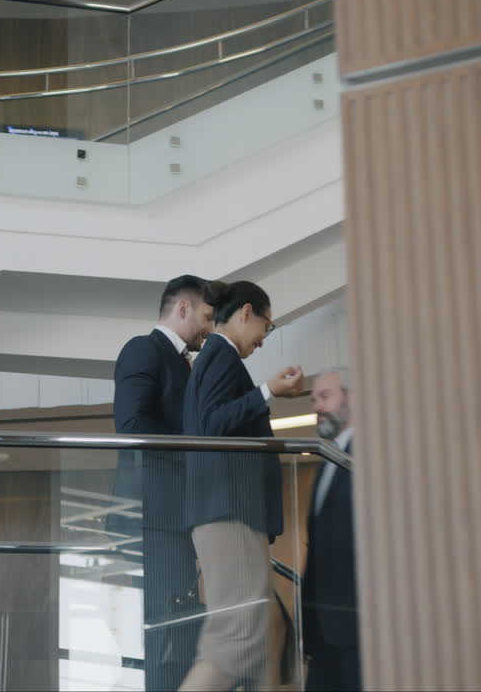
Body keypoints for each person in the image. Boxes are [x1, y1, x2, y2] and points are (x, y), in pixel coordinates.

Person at [179, 280, 306, 692]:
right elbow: (212, 425)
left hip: (230, 509)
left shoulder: (218, 357)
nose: (264, 340)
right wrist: (267, 391)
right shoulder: (220, 354)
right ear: (247, 312)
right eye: (267, 327)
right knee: (235, 639)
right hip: (227, 509)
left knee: (260, 631)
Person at [109, 274, 216, 691]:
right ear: (183, 308)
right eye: (206, 316)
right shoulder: (144, 349)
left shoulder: (185, 362)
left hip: (174, 517)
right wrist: (195, 455)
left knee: (175, 629)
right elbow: (133, 426)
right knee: (162, 630)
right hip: (153, 517)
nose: (209, 327)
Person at [302, 369, 360, 691]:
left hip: (359, 630)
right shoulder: (326, 459)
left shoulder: (369, 455)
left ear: (350, 397)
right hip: (323, 634)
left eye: (325, 396)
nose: (317, 407)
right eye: (314, 399)